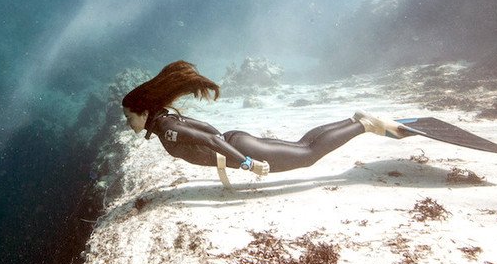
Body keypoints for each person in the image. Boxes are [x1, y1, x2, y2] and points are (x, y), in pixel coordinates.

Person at [121, 60, 407, 181]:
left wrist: (245, 162)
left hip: (242, 150)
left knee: (308, 155)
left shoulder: (166, 127)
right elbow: (209, 130)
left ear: (144, 112)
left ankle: (364, 125)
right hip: (237, 141)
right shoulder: (167, 121)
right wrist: (229, 144)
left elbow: (207, 138)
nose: (128, 123)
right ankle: (356, 120)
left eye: (129, 117)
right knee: (304, 145)